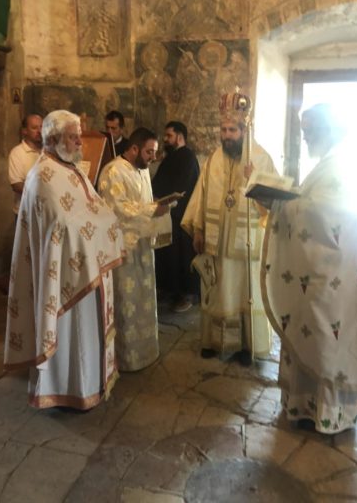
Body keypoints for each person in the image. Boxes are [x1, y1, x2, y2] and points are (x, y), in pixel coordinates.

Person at [261, 103, 357, 434]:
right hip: (327, 271)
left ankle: (326, 413)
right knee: (316, 336)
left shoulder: (339, 164)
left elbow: (327, 215)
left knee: (326, 341)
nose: (305, 139)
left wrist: (281, 204)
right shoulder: (330, 162)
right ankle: (307, 407)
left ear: (326, 130)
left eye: (309, 132)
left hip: (334, 274)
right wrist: (285, 201)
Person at [4, 110, 124, 410]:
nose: (80, 142)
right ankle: (66, 389)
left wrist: (104, 225)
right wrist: (97, 228)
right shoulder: (42, 175)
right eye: (73, 137)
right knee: (71, 333)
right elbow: (61, 226)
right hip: (62, 276)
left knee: (87, 333)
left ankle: (91, 383)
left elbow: (94, 207)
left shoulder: (71, 169)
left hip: (85, 266)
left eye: (78, 136)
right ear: (54, 139)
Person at [181, 91, 276, 365]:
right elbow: (200, 196)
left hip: (247, 245)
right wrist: (199, 230)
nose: (226, 136)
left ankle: (247, 345)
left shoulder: (261, 159)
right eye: (223, 130)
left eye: (232, 130)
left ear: (244, 130)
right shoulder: (213, 159)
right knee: (217, 291)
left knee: (245, 292)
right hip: (217, 243)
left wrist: (254, 178)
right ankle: (214, 341)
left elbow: (273, 202)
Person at [98, 127, 171, 371]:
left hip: (142, 247)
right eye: (149, 152)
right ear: (134, 149)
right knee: (126, 303)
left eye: (155, 152)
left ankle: (145, 352)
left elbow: (142, 203)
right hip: (123, 249)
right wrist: (152, 210)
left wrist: (158, 206)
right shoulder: (113, 171)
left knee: (143, 300)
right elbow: (117, 209)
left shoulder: (142, 170)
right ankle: (125, 358)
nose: (153, 157)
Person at [152, 121, 200, 312]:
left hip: (181, 216)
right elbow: (159, 181)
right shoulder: (170, 157)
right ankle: (169, 291)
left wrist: (166, 199)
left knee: (182, 256)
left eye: (169, 136)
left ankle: (187, 295)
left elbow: (183, 186)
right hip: (166, 213)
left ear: (180, 137)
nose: (165, 139)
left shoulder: (188, 157)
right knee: (167, 255)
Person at [8, 114, 43, 216]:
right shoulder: (17, 153)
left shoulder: (48, 151)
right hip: (26, 213)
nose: (39, 131)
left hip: (45, 214)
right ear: (25, 131)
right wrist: (43, 193)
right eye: (34, 128)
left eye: (41, 127)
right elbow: (16, 185)